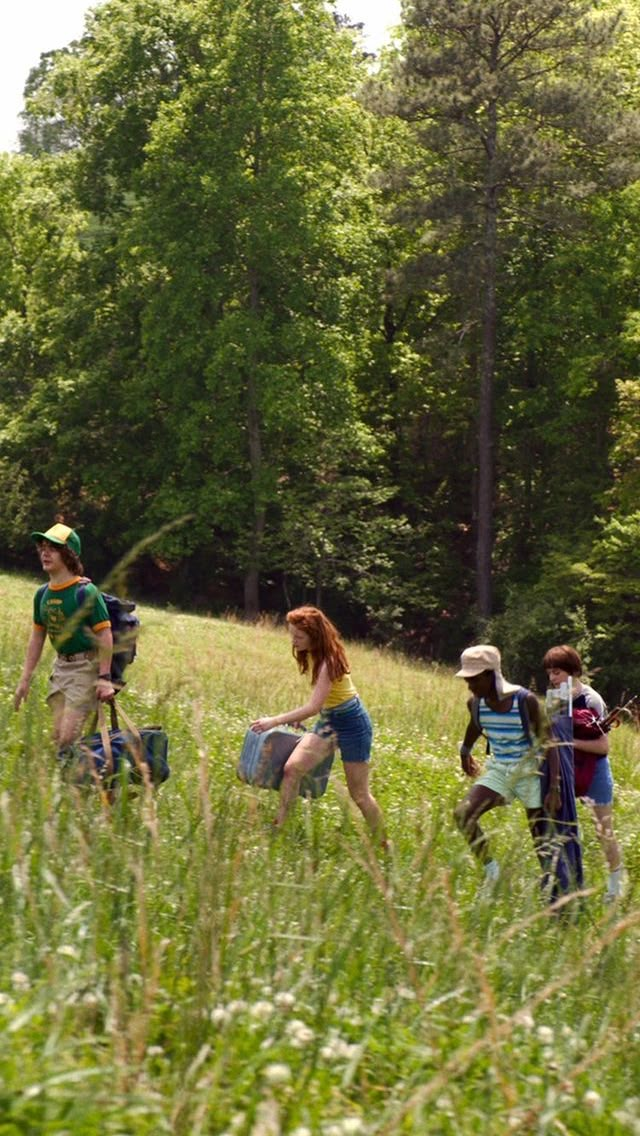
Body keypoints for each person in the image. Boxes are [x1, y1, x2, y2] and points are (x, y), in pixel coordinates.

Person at [250, 605, 386, 842]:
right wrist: (308, 714)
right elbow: (322, 700)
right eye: (292, 635)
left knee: (359, 794)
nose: (294, 641)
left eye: (299, 636)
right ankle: (279, 827)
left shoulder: (329, 661)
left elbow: (313, 705)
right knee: (292, 769)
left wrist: (274, 721)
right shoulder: (312, 653)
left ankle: (384, 842)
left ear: (315, 635)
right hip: (329, 719)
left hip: (353, 723)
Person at [453, 643, 560, 888]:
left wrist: (554, 787)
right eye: (467, 680)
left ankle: (553, 889)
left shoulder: (526, 701)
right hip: (500, 770)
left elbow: (549, 742)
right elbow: (476, 726)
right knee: (463, 814)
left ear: (491, 675)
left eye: (475, 679)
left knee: (540, 838)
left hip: (531, 773)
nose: (470, 686)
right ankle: (493, 872)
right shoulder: (475, 703)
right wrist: (464, 752)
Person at [14, 522, 115, 747]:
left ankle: (89, 772)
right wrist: (25, 678)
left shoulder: (86, 592)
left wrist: (105, 679)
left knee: (68, 737)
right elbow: (37, 638)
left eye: (53, 547)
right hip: (60, 669)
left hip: (85, 667)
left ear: (69, 555)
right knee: (59, 737)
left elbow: (105, 635)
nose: (44, 552)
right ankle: (83, 776)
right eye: (42, 546)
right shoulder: (42, 594)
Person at [543, 644, 623, 903]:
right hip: (565, 771)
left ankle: (615, 888)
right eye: (550, 674)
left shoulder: (591, 699)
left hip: (594, 771)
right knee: (564, 827)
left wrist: (569, 743)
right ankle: (567, 887)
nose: (553, 679)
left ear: (573, 671)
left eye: (557, 672)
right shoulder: (554, 698)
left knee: (603, 831)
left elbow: (602, 746)